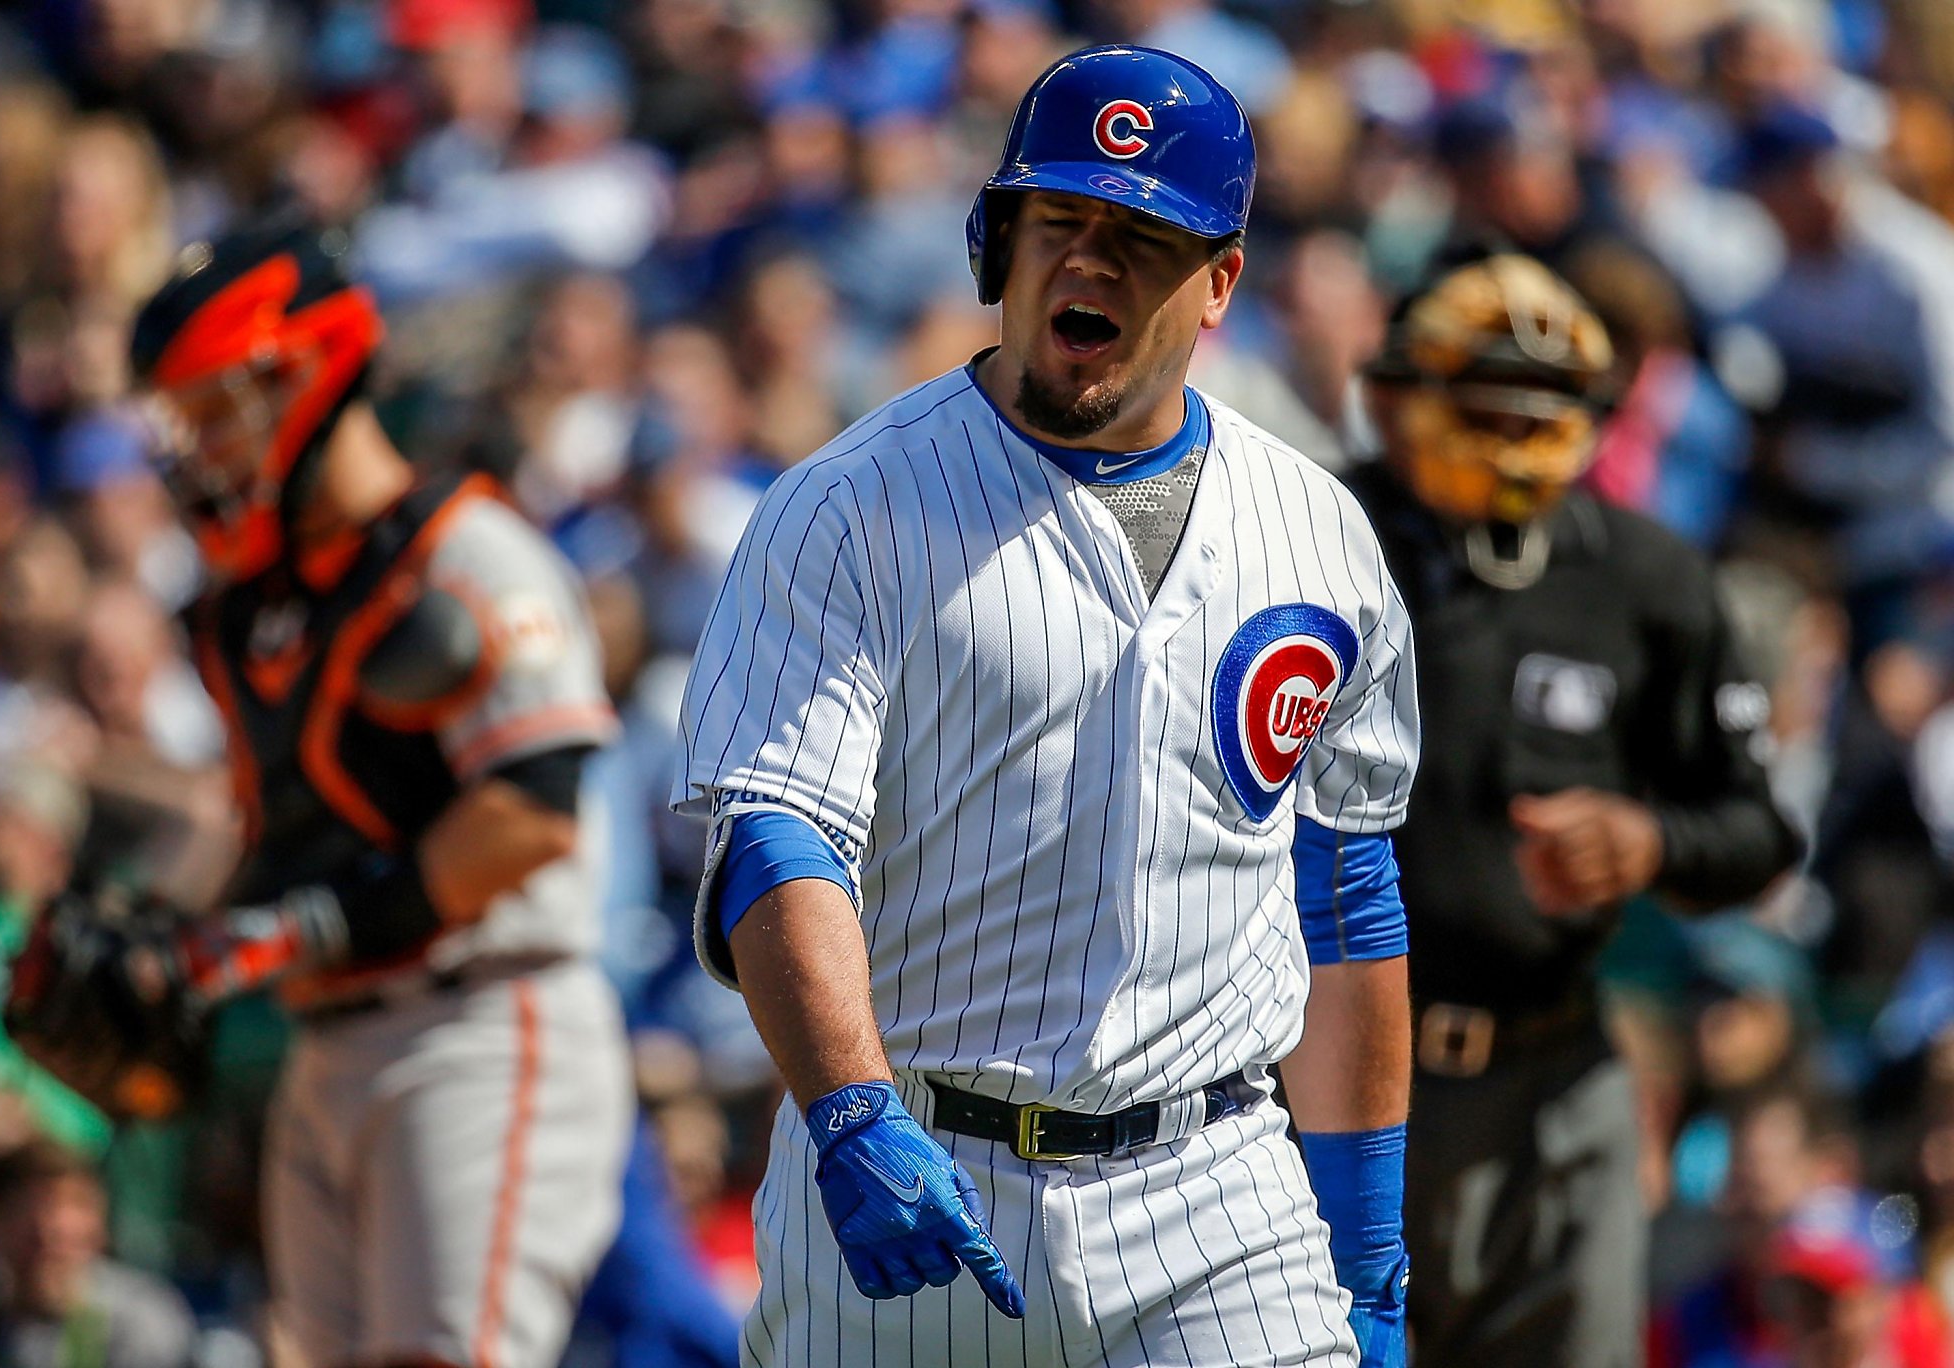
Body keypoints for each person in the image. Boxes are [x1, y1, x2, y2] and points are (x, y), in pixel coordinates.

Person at [674, 45, 1420, 1368]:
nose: (1091, 262)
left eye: (1143, 237)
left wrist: (1364, 1246)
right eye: (1058, 222)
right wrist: (848, 1110)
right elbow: (779, 841)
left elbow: (1345, 896)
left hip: (1217, 1190)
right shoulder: (848, 507)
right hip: (918, 1160)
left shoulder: (1317, 531)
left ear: (1220, 286)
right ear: (996, 247)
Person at [14, 215, 633, 1368]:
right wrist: (179, 939)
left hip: (479, 1020)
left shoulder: (466, 553)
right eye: (181, 418)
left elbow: (534, 811)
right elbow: (283, 824)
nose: (196, 449)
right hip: (328, 1037)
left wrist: (309, 926)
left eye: (216, 409)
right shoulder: (244, 606)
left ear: (307, 373)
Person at [1346, 250, 1801, 1368]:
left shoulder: (1640, 576)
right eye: (1480, 400)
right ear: (1395, 394)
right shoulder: (1309, 539)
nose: (1511, 435)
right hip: (1327, 1081)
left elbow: (1757, 834)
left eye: (1539, 405)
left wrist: (1647, 841)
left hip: (1552, 1080)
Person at [0, 1135, 196, 1368]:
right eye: (31, 1221)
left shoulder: (141, 1325)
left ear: (99, 1223)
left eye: (72, 1208)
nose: (51, 1233)